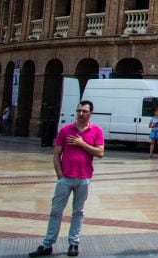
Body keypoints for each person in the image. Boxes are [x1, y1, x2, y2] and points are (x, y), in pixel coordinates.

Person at [28, 100, 105, 258]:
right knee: (56, 211)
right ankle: (48, 244)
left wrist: (82, 143)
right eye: (79, 111)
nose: (81, 114)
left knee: (78, 212)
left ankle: (73, 243)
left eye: (84, 111)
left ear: (91, 113)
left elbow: (100, 153)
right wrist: (59, 175)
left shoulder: (96, 130)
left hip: (83, 178)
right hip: (65, 178)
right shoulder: (65, 130)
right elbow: (56, 154)